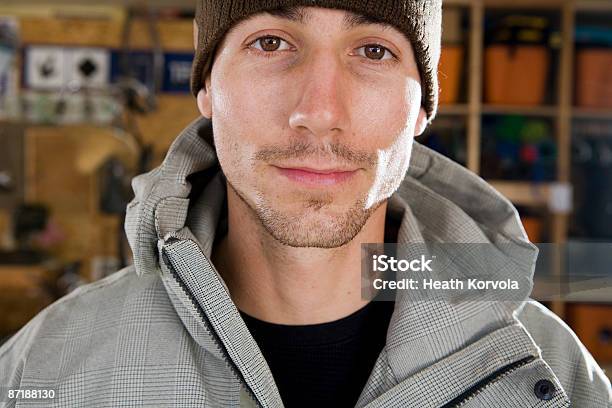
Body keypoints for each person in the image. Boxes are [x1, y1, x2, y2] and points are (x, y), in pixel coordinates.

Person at [1, 1, 611, 407]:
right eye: (271, 41)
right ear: (207, 87)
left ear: (422, 108)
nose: (319, 111)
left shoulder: (547, 372)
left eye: (373, 50)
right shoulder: (49, 371)